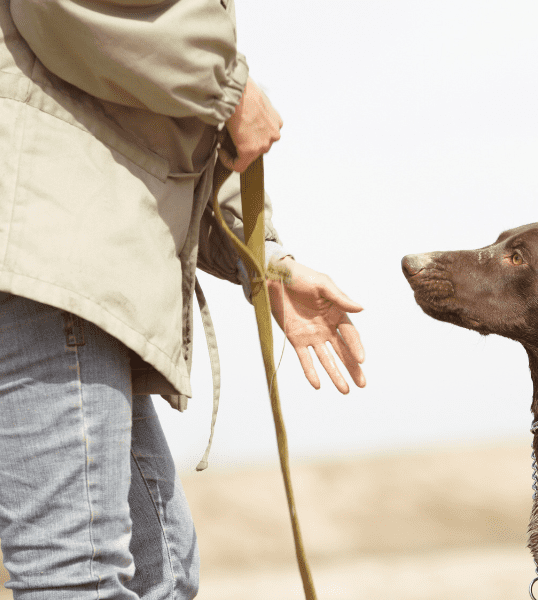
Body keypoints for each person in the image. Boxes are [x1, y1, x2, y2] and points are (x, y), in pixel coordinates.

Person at [0, 0, 365, 598]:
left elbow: (151, 113)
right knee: (78, 577)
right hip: (48, 251)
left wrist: (266, 262)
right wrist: (229, 87)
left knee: (159, 575)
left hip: (74, 255)